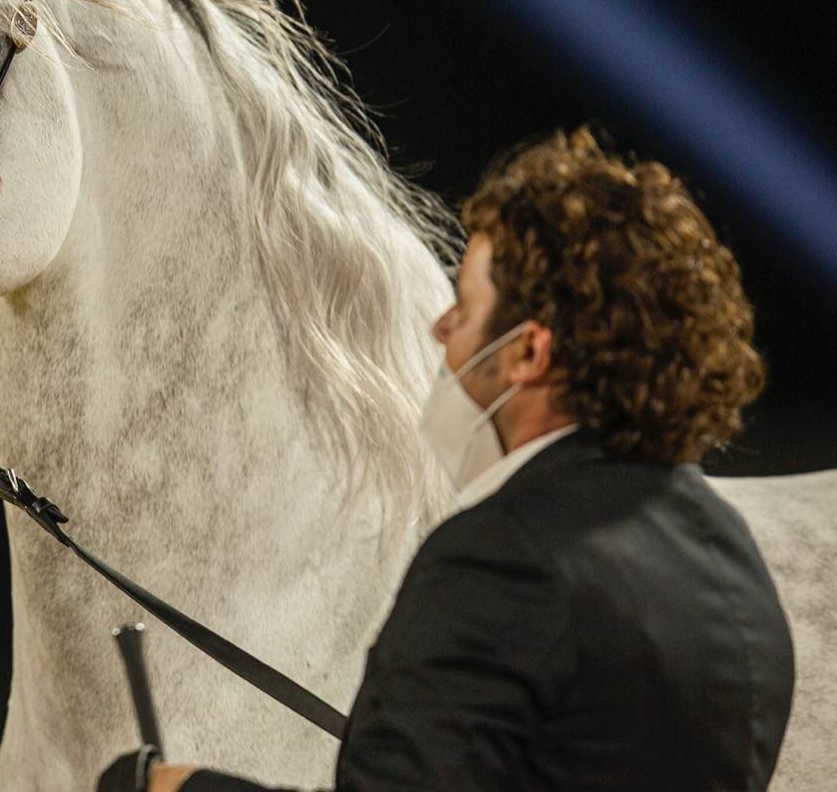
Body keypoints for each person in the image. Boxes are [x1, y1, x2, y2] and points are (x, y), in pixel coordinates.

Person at [98, 128, 795, 792]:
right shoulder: (732, 562)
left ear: (528, 352)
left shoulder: (503, 556)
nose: (441, 327)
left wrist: (186, 786)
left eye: (463, 305)